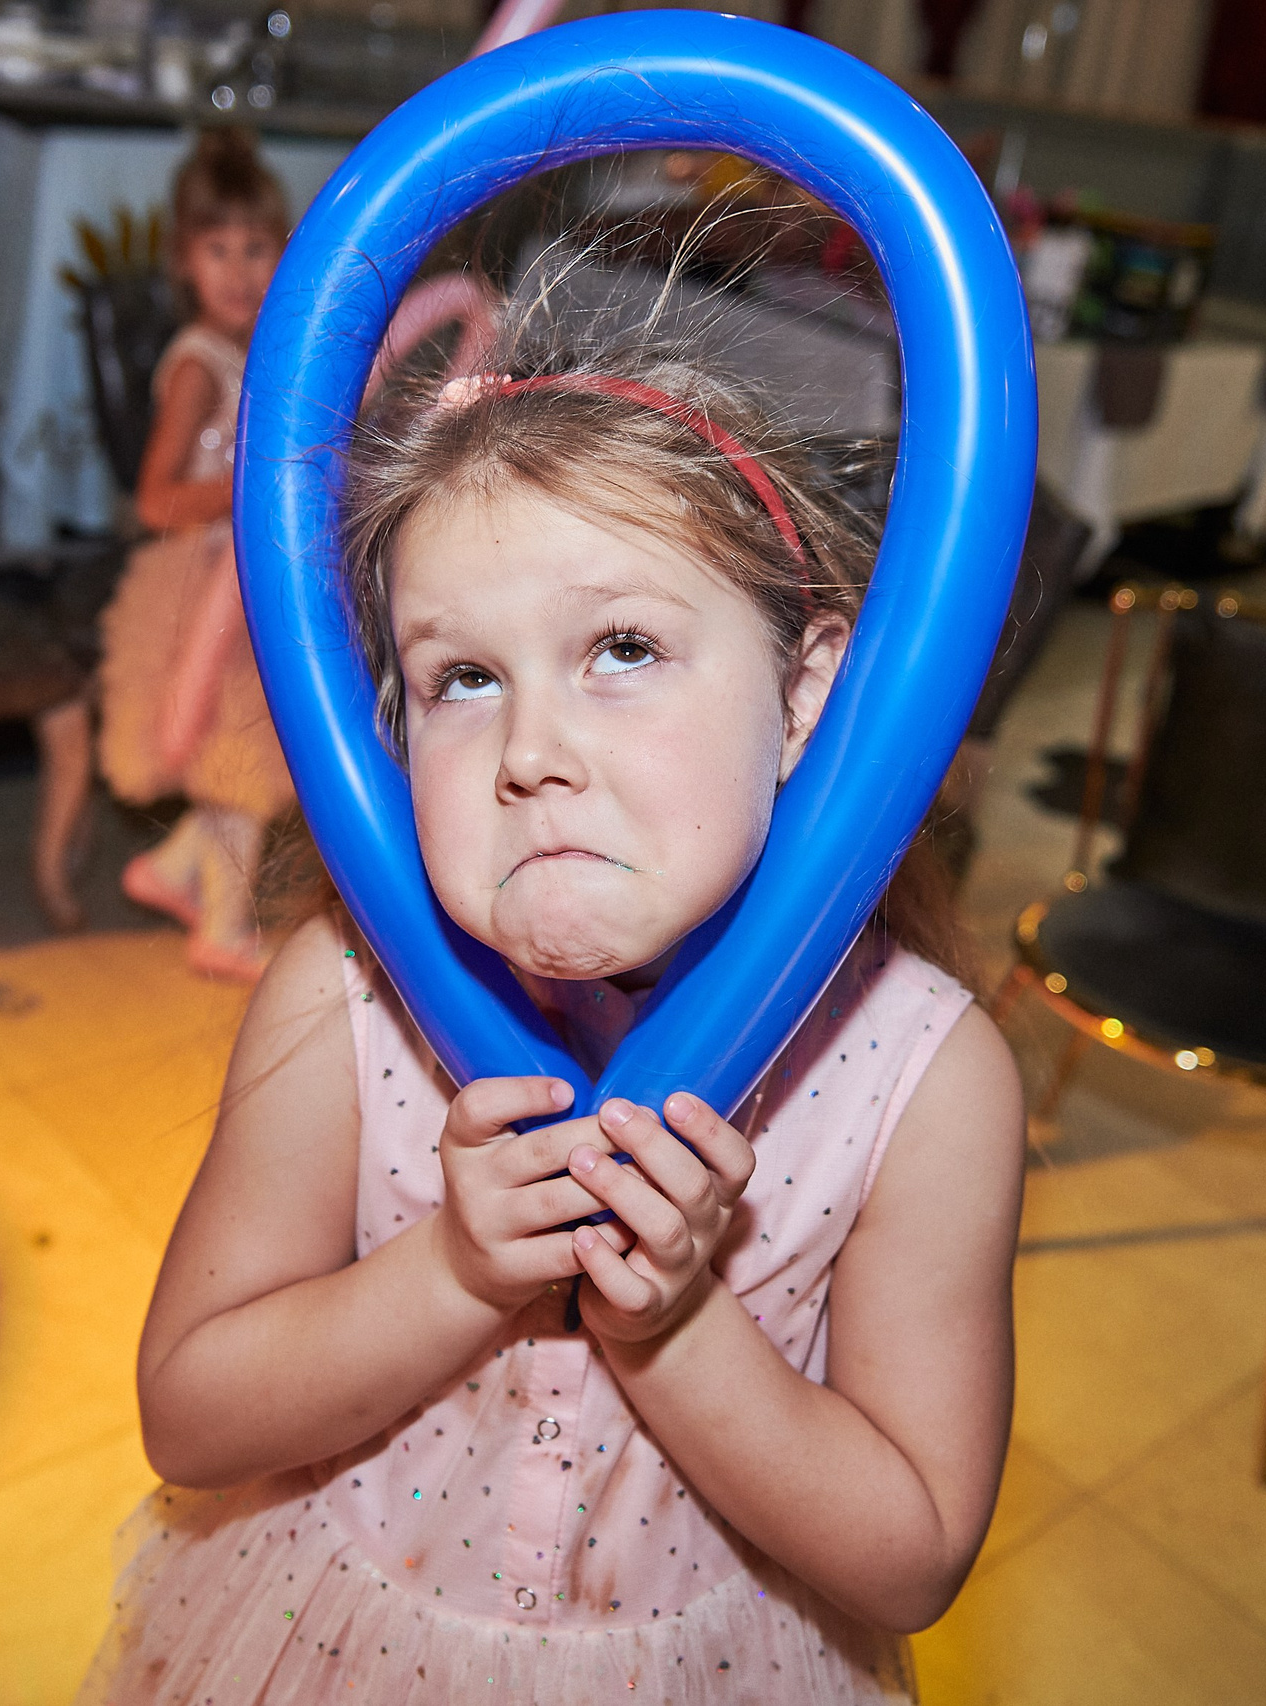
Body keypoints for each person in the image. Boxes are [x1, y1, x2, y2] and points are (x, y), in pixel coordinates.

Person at [79, 329, 1028, 1703]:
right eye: (463, 678)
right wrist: (457, 1268)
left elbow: (914, 1554)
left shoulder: (925, 1079)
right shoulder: (340, 997)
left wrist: (675, 1323)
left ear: (807, 689)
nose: (530, 753)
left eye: (623, 647)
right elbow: (190, 1413)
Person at [98, 128, 292, 982]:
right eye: (218, 250)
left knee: (243, 754)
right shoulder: (199, 366)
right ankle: (224, 927)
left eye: (257, 248)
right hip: (199, 584)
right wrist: (251, 486)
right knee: (239, 757)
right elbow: (154, 499)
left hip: (245, 583)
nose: (241, 272)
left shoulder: (260, 352)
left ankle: (173, 868)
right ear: (184, 260)